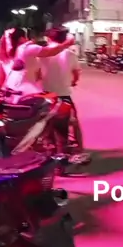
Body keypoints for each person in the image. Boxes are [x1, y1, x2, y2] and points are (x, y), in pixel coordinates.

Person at [39, 26, 89, 162]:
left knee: (44, 123)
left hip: (45, 95)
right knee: (71, 123)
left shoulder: (42, 53)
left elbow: (36, 74)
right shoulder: (70, 54)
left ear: (48, 38)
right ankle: (79, 150)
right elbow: (76, 73)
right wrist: (72, 82)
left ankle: (47, 146)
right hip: (63, 95)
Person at [4, 24, 75, 97]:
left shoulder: (16, 50)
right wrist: (67, 43)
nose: (29, 39)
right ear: (21, 38)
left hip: (14, 88)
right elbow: (51, 52)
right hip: (27, 90)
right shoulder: (28, 48)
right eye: (26, 37)